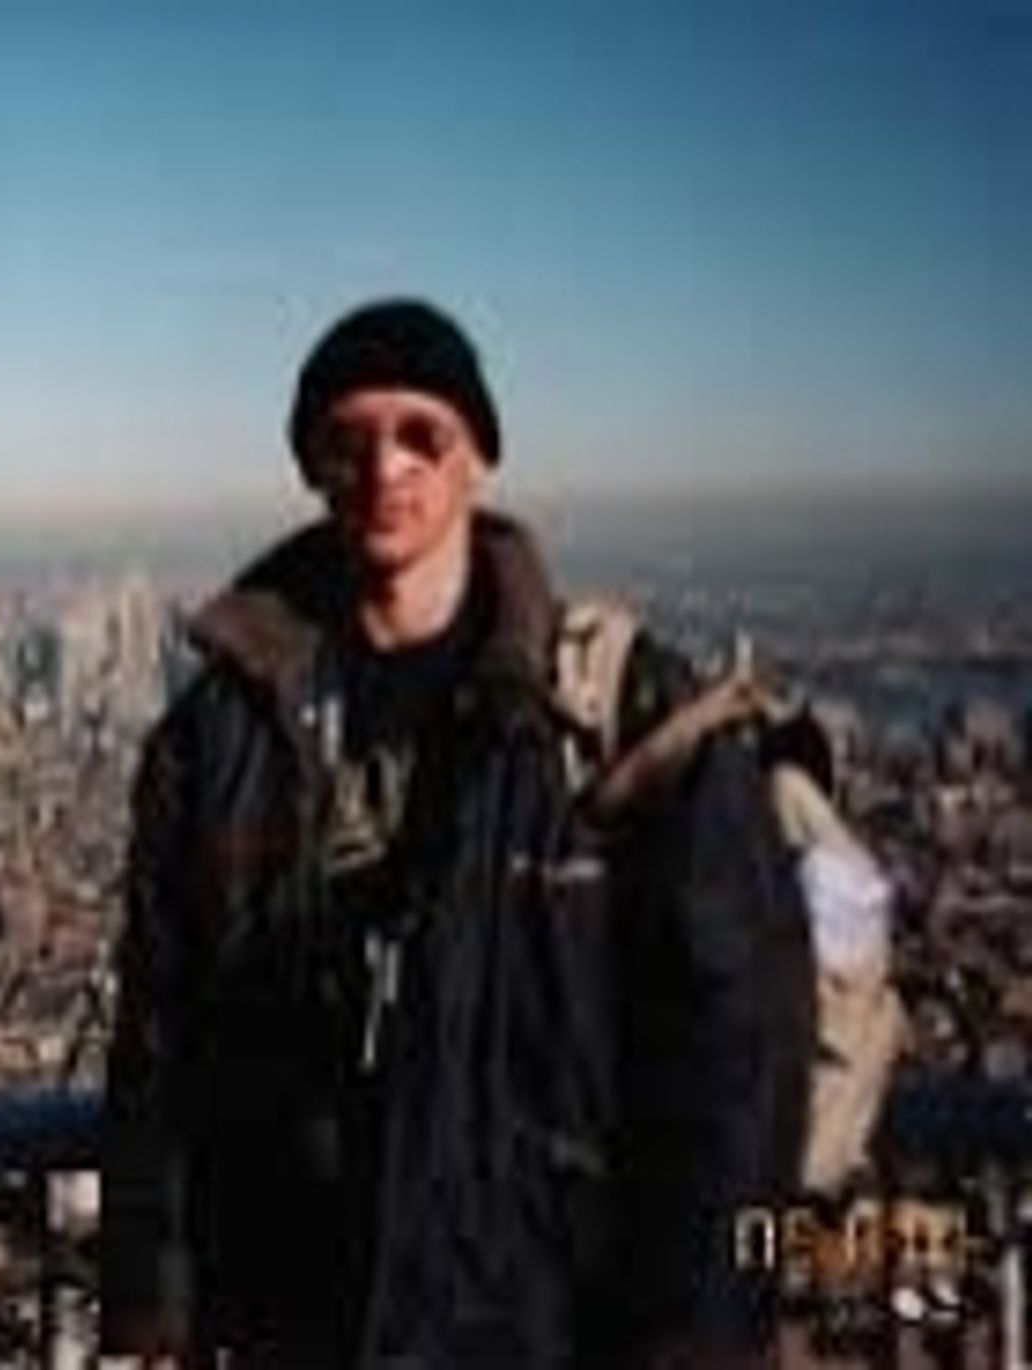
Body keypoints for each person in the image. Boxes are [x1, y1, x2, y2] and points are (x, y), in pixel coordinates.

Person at [100, 299, 814, 1367]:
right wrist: (151, 1313)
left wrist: (697, 1340)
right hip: (297, 1319)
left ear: (477, 454)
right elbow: (160, 1042)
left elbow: (734, 1066)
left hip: (547, 1321)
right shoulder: (214, 738)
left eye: (419, 433)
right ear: (309, 467)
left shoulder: (626, 715)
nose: (384, 466)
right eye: (344, 441)